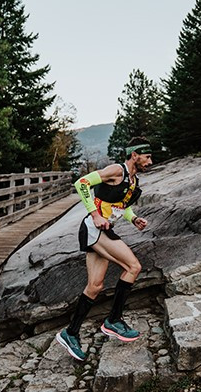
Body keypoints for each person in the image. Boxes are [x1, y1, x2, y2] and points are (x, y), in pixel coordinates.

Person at [56, 137, 152, 361]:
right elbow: (81, 183)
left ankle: (70, 333)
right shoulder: (116, 171)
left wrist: (134, 218)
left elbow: (119, 208)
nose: (150, 160)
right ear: (134, 155)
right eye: (147, 156)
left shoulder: (133, 181)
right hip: (94, 228)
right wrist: (95, 214)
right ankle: (114, 320)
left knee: (95, 286)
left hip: (101, 230)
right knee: (133, 266)